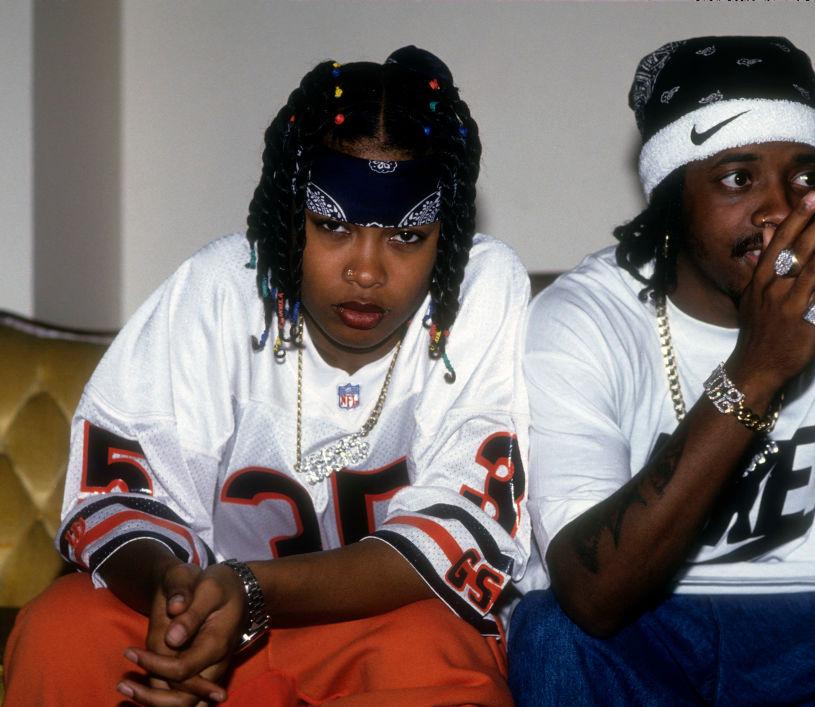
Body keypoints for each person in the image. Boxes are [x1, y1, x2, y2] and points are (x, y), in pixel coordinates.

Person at [4, 46, 529, 706]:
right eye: (333, 224)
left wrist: (250, 588)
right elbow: (123, 494)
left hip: (383, 627)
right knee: (64, 628)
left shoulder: (479, 289)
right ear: (289, 219)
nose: (367, 268)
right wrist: (177, 599)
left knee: (435, 649)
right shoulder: (221, 286)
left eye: (407, 234)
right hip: (217, 620)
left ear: (445, 235)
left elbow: (462, 528)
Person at [509, 36, 815, 704]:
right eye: (737, 178)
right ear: (670, 198)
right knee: (552, 632)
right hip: (653, 629)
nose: (781, 208)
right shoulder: (585, 316)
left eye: (806, 176)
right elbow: (594, 595)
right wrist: (759, 367)